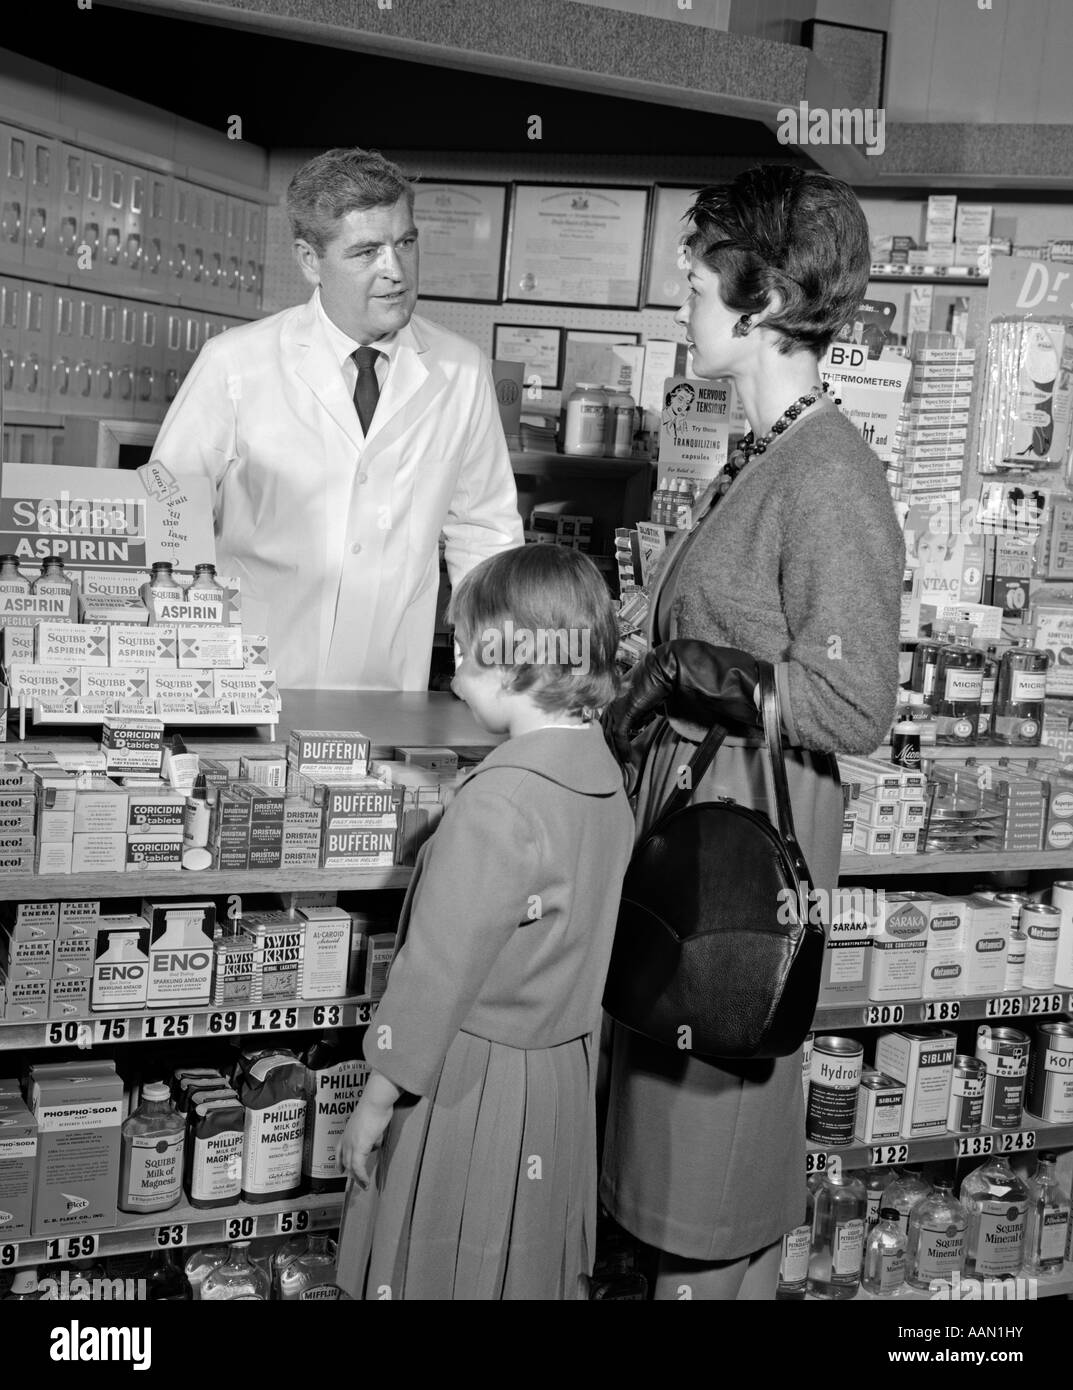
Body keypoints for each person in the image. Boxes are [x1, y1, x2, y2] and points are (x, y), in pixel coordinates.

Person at [600, 165, 904, 1300]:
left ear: (763, 297)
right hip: (700, 808)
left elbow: (853, 699)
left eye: (700, 260)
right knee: (668, 1124)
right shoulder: (768, 446)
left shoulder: (827, 474)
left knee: (707, 1136)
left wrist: (706, 674)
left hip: (743, 842)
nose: (681, 277)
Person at [335, 545, 634, 1300]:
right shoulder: (600, 772)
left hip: (471, 1087)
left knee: (444, 1260)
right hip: (561, 1080)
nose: (452, 669)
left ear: (514, 666)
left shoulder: (497, 804)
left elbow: (436, 975)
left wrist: (374, 1101)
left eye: (464, 653)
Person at [150, 147, 523, 689]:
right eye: (366, 251)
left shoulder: (461, 370)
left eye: (406, 243)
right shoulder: (235, 363)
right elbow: (169, 521)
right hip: (248, 685)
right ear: (309, 260)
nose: (394, 271)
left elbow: (485, 535)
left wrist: (493, 682)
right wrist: (182, 672)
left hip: (389, 695)